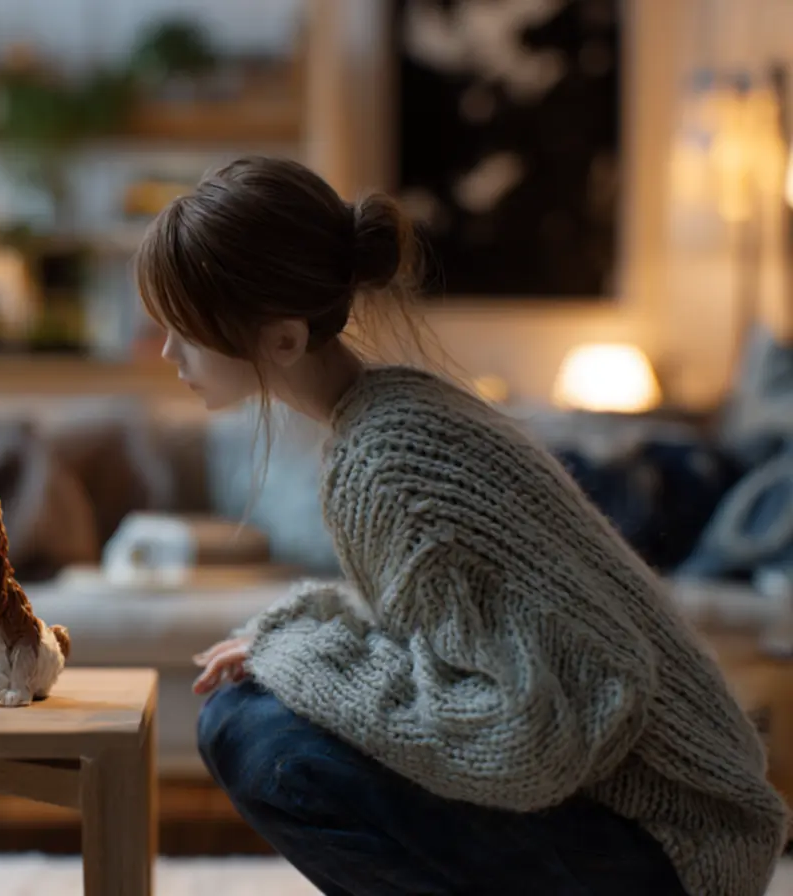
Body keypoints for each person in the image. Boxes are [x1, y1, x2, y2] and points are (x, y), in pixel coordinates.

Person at [136, 156, 788, 896]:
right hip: (666, 821)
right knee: (258, 701)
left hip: (672, 851)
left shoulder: (388, 463)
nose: (168, 353)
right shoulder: (388, 418)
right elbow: (442, 637)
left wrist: (300, 658)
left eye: (187, 330)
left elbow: (528, 736)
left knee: (248, 733)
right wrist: (293, 639)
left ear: (283, 340)